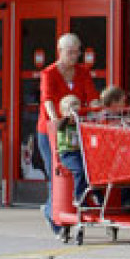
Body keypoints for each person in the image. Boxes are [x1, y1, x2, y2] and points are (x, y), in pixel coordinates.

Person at [36, 33, 100, 234]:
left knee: (82, 169)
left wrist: (100, 112)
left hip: (77, 130)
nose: (74, 56)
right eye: (70, 52)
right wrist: (55, 120)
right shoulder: (49, 73)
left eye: (77, 52)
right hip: (52, 132)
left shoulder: (83, 72)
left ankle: (70, 205)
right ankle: (53, 215)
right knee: (57, 174)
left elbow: (92, 97)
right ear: (60, 52)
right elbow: (47, 100)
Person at [56, 94, 88, 205]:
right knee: (79, 170)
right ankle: (78, 196)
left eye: (76, 111)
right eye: (70, 111)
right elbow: (60, 129)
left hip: (80, 152)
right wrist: (67, 117)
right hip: (68, 154)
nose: (74, 115)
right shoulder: (63, 125)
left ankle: (92, 195)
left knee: (91, 172)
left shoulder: (80, 124)